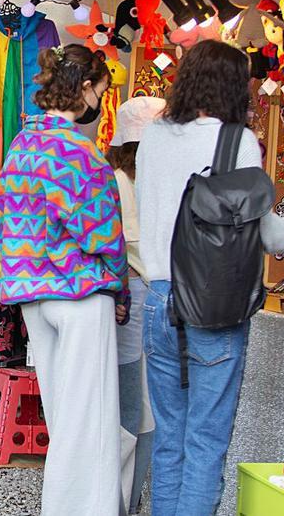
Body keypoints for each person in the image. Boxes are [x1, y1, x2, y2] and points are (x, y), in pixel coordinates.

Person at [136, 40, 284, 515]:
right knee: (205, 440)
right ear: (232, 86)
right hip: (211, 304)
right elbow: (262, 231)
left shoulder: (154, 135)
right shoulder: (236, 140)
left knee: (170, 439)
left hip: (157, 297)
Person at [0, 43, 128, 515]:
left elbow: (4, 219)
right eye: (102, 92)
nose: (100, 103)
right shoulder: (80, 153)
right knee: (87, 423)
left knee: (63, 416)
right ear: (87, 89)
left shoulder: (22, 143)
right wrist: (119, 288)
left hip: (31, 291)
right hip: (78, 291)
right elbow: (104, 235)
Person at [106, 95, 164, 514]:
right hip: (139, 296)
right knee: (139, 410)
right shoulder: (143, 179)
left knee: (126, 405)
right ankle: (124, 500)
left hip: (119, 298)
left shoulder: (110, 176)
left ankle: (121, 497)